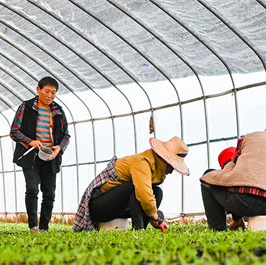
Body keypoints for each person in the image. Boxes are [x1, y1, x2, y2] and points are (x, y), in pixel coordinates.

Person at [72, 136, 190, 232]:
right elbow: (144, 195)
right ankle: (138, 230)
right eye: (173, 167)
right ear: (165, 161)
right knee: (136, 188)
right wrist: (156, 217)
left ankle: (141, 229)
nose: (172, 171)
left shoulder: (151, 164)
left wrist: (153, 218)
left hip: (117, 208)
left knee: (157, 192)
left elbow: (147, 197)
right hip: (98, 207)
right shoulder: (143, 163)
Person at [10, 76, 71, 233]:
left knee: (49, 192)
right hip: (31, 155)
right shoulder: (26, 107)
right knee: (32, 189)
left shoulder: (58, 111)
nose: (50, 96)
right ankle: (33, 226)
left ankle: (44, 227)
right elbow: (14, 131)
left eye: (53, 93)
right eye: (47, 91)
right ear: (38, 90)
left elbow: (66, 135)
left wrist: (60, 148)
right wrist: (30, 141)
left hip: (50, 157)